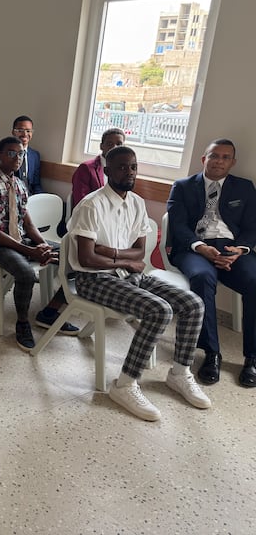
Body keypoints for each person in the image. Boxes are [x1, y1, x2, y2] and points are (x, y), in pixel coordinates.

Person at [68, 146, 210, 421]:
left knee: (193, 303)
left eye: (133, 166)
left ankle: (180, 372)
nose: (129, 172)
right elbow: (87, 258)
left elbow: (139, 251)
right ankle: (124, 384)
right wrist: (123, 260)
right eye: (121, 167)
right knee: (160, 310)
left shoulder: (136, 203)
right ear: (107, 171)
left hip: (125, 273)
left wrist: (112, 253)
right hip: (92, 279)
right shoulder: (91, 204)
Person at [166, 139, 256, 388]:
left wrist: (240, 250)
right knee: (202, 278)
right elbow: (178, 224)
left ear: (233, 162)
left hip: (231, 248)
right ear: (204, 159)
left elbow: (252, 226)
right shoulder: (183, 186)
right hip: (194, 248)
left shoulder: (245, 188)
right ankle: (211, 353)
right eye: (214, 156)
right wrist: (200, 247)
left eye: (225, 157)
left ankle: (252, 357)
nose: (219, 161)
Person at [0, 136, 77, 351]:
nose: (17, 157)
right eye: (11, 153)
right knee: (26, 274)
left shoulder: (20, 184)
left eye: (20, 153)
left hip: (23, 239)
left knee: (73, 256)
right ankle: (22, 322)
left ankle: (49, 312)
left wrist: (43, 245)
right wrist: (30, 250)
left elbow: (28, 224)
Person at [71, 127, 125, 208]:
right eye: (110, 144)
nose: (114, 147)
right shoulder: (86, 168)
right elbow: (81, 202)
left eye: (119, 144)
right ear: (101, 146)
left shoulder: (124, 171)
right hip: (92, 214)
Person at [11, 115, 43, 194]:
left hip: (30, 198)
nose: (25, 134)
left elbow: (36, 184)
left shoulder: (35, 156)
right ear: (13, 132)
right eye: (21, 130)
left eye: (28, 131)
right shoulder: (7, 154)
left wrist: (41, 198)